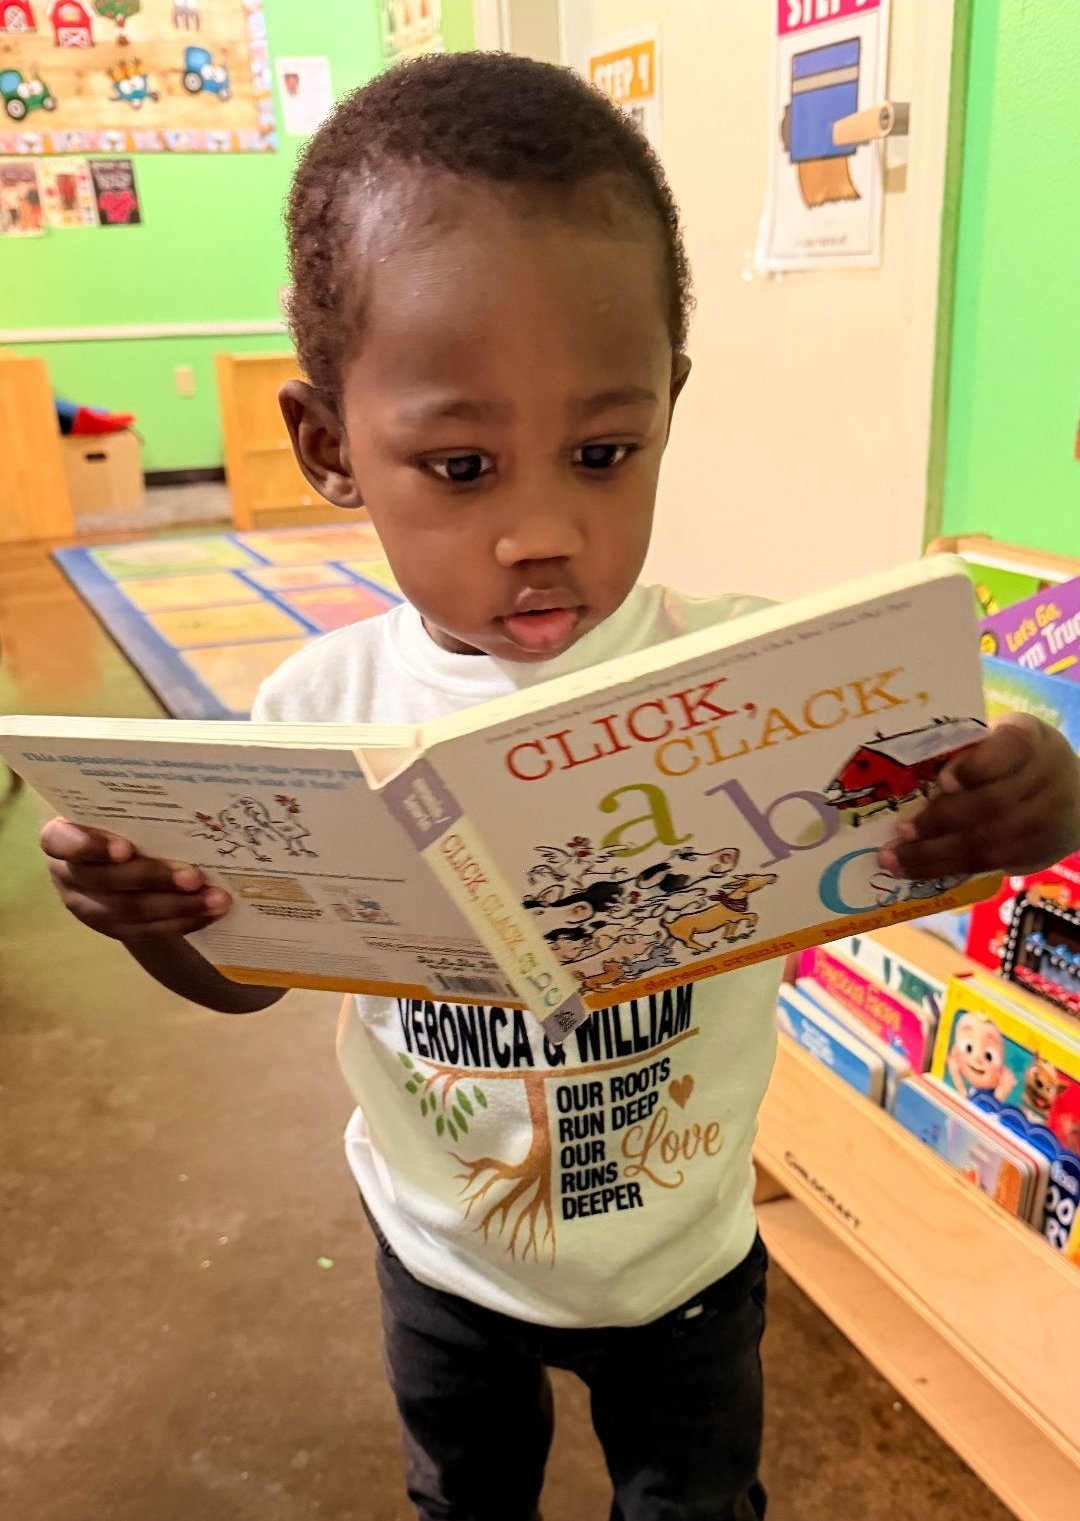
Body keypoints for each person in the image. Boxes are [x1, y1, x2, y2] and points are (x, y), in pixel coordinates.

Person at [38, 53, 1080, 1521]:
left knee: (702, 1504)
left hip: (687, 1260)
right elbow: (247, 983)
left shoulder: (752, 677)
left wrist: (1039, 797)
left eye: (605, 453)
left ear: (670, 406)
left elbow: (955, 800)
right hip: (437, 1249)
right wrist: (148, 916)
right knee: (467, 1498)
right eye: (460, 465)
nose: (542, 530)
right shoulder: (313, 712)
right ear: (331, 446)